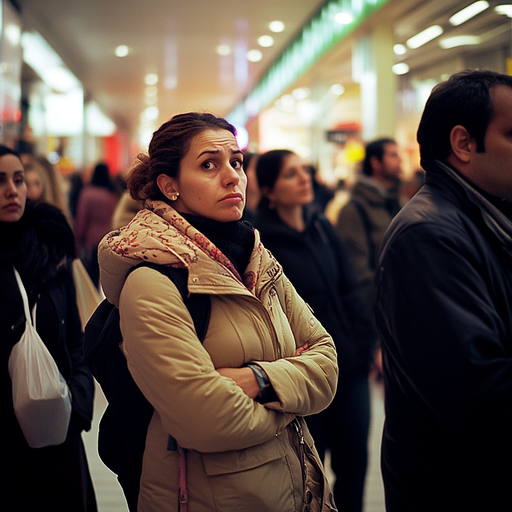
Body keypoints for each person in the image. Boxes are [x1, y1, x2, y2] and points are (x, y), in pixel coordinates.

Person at [97, 112, 338, 512]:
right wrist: (291, 401)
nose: (232, 177)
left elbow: (327, 361)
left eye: (237, 163)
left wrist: (258, 380)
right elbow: (204, 421)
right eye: (209, 165)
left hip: (294, 490)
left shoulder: (257, 262)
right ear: (169, 186)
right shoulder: (152, 282)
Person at [373, 69, 512, 512]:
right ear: (464, 144)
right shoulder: (429, 235)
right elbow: (478, 392)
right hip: (460, 488)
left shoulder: (486, 219)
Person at [253, 149, 375, 512]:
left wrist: (362, 344)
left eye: (304, 170)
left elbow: (350, 288)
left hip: (349, 367)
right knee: (311, 472)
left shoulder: (322, 226)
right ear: (270, 190)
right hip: (303, 375)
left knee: (354, 463)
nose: (304, 178)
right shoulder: (261, 242)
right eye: (291, 174)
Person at [0, 145, 97, 511]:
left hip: (56, 436)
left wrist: (79, 405)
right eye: (1, 181)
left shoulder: (51, 251)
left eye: (19, 180)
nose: (13, 190)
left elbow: (76, 341)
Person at [335, 138, 402, 305]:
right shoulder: (354, 210)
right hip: (380, 312)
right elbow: (358, 274)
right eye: (393, 155)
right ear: (375, 162)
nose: (400, 160)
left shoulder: (399, 203)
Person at [75, 162, 116, 287]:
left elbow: (81, 218)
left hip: (90, 242)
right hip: (108, 239)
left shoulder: (87, 193)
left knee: (90, 278)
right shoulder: (110, 195)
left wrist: (78, 238)